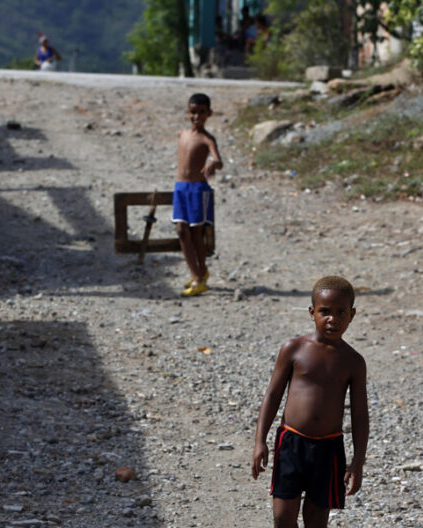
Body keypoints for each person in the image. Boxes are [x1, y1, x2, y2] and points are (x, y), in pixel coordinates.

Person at [252, 276, 369, 527]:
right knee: (282, 517)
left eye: (341, 312)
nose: (333, 319)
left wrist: (358, 461)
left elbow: (360, 414)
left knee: (316, 520)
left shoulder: (353, 362)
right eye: (325, 311)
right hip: (291, 442)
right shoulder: (293, 348)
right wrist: (260, 441)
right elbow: (272, 395)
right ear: (312, 312)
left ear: (352, 315)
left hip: (328, 448)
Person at [172, 93, 223, 297]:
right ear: (188, 112)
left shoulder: (207, 139)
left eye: (201, 112)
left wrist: (212, 163)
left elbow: (219, 160)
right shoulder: (183, 134)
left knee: (195, 234)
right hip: (180, 188)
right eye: (193, 112)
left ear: (209, 113)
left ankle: (199, 277)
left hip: (197, 190)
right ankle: (198, 274)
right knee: (181, 231)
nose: (197, 116)